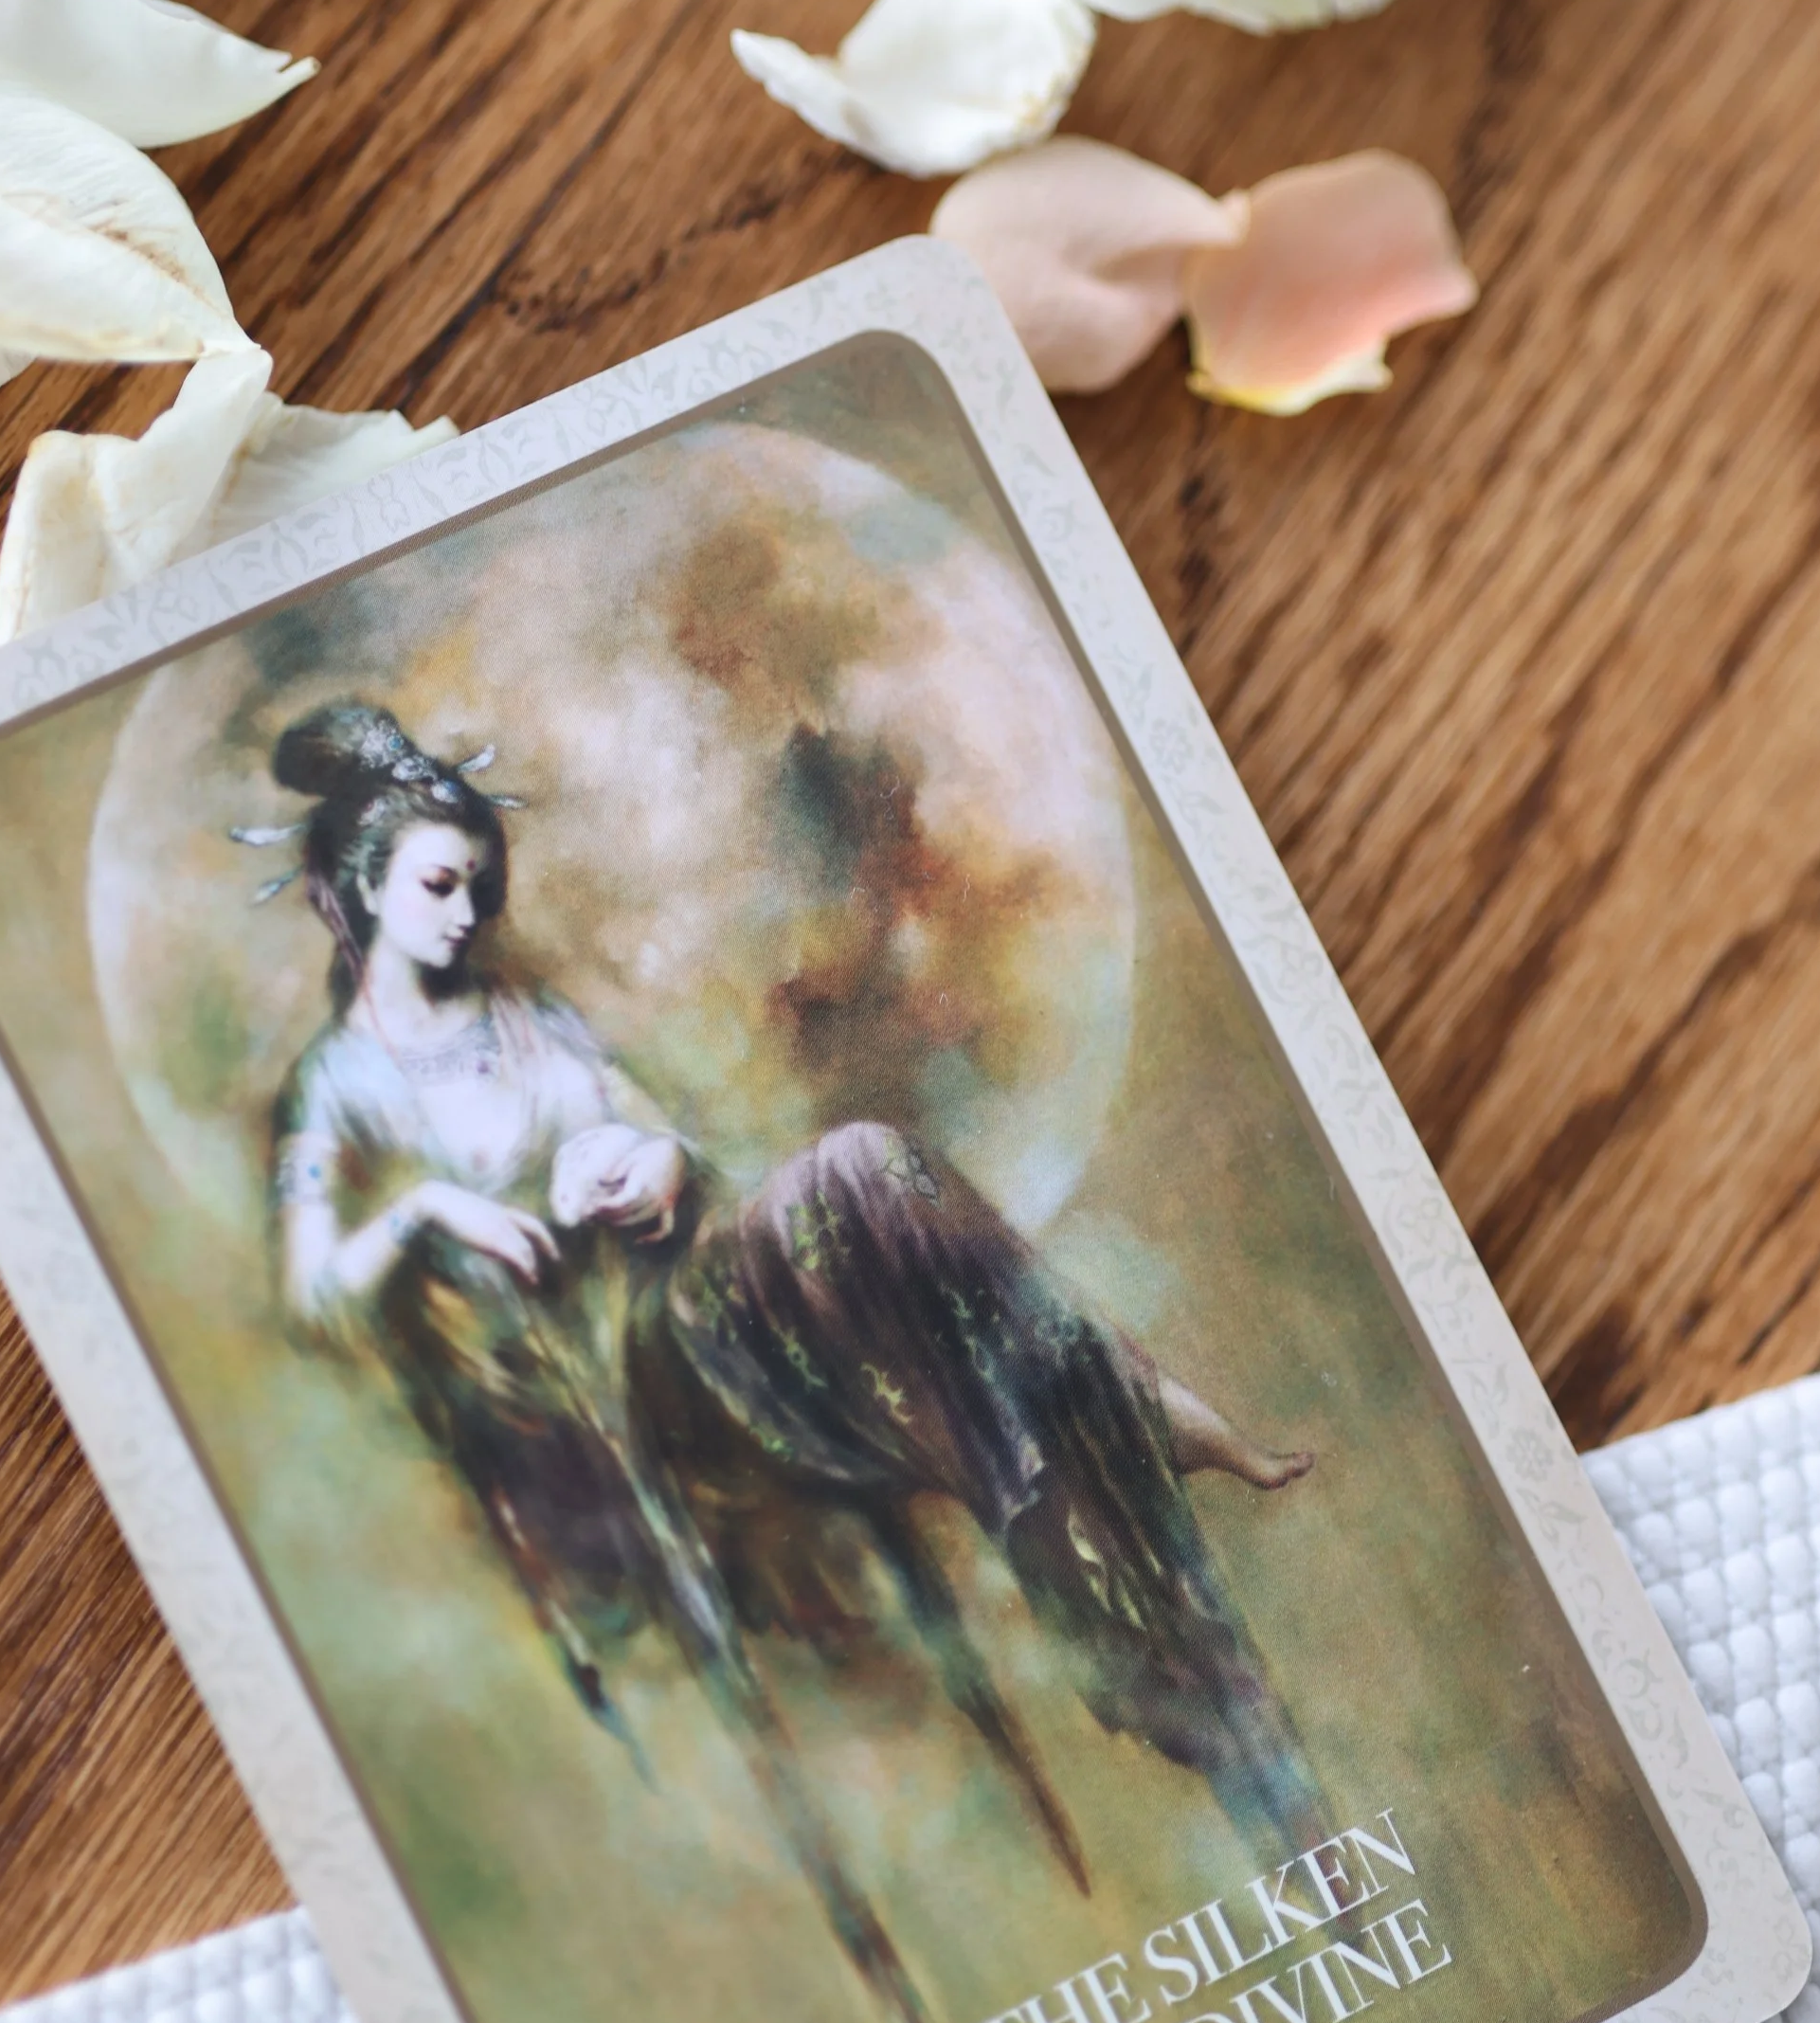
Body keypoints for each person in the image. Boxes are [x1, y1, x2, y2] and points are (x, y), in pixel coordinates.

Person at [260, 701, 1317, 1844]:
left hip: (705, 1293)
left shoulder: (536, 1020)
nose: (467, 913)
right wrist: (427, 1206)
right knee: (870, 1217)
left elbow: (670, 1145)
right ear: (366, 886)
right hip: (615, 1384)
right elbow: (310, 1290)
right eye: (437, 886)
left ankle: (1113, 1484)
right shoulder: (339, 1084)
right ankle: (1123, 1404)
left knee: (864, 1164)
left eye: (476, 883)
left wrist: (652, 1167)